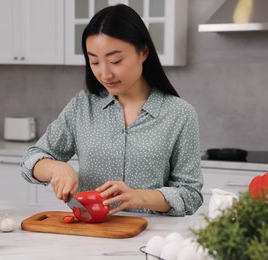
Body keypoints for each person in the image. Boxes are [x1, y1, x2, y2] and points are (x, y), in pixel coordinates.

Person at [21, 4, 203, 216]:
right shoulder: (82, 106)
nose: (105, 74)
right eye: (95, 62)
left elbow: (190, 195)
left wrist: (139, 196)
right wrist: (56, 169)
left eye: (115, 61)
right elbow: (30, 161)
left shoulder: (179, 114)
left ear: (143, 52)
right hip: (88, 234)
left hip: (150, 237)